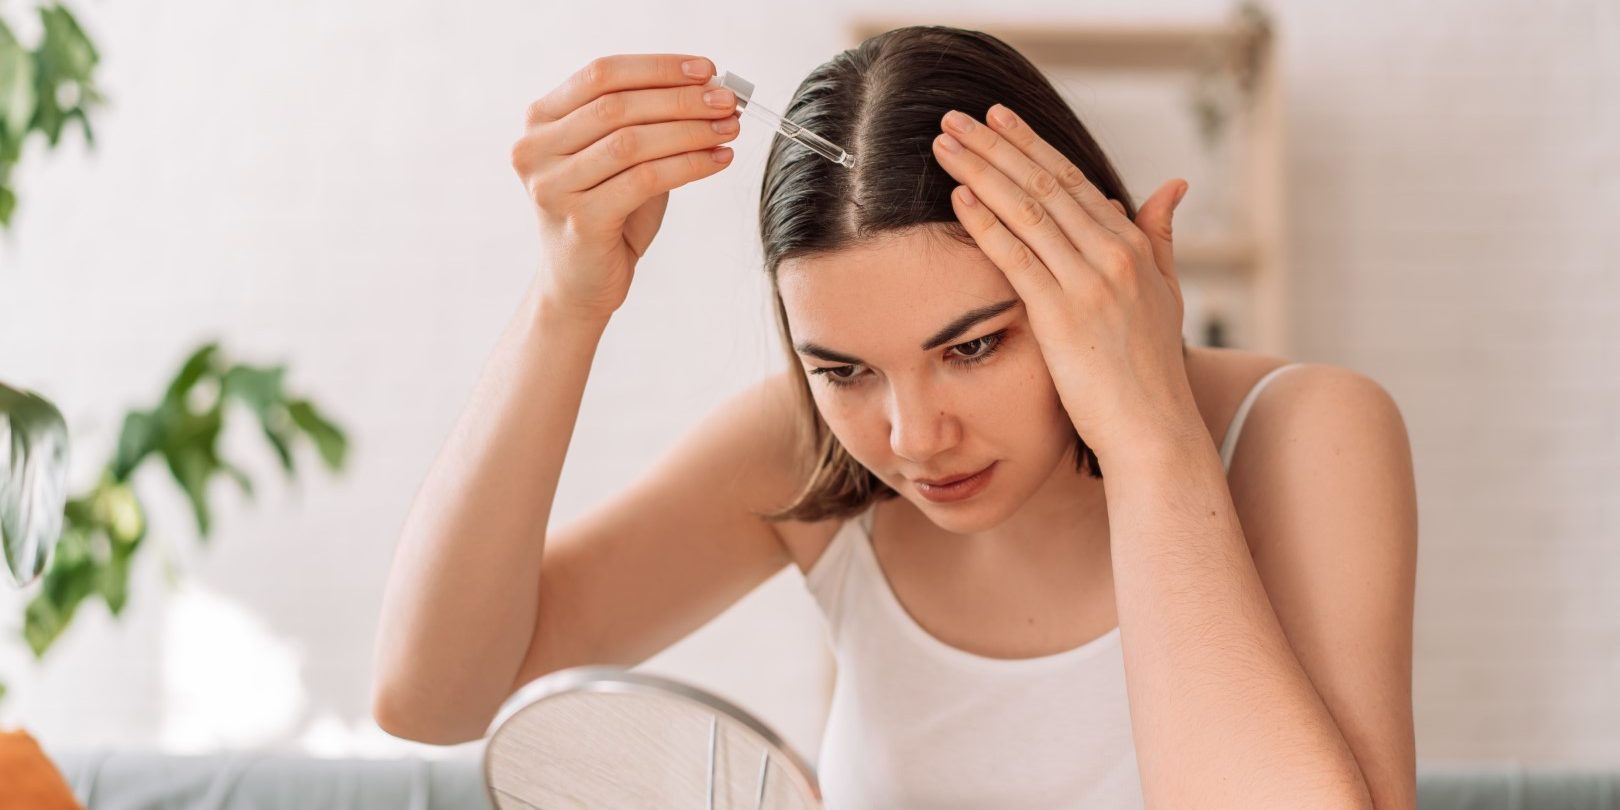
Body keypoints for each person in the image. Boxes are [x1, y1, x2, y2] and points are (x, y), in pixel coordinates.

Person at [372, 25, 1418, 809]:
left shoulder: (1304, 434)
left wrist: (1148, 429)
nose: (913, 438)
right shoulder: (805, 456)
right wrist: (567, 305)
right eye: (843, 370)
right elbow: (436, 697)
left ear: (1099, 272)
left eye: (973, 347)